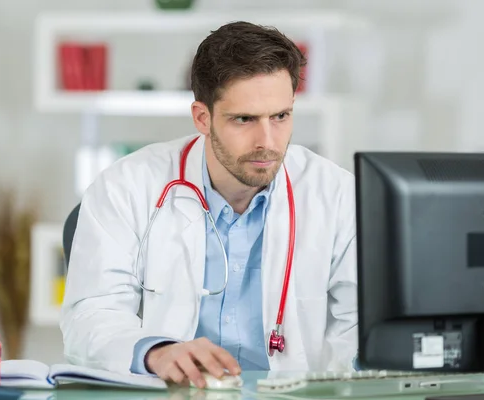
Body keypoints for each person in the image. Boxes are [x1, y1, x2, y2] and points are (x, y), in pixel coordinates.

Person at [60, 21, 358, 389]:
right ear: (203, 117)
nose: (267, 141)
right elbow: (90, 316)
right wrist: (156, 352)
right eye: (244, 119)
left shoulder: (337, 194)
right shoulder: (126, 187)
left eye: (280, 116)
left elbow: (360, 325)